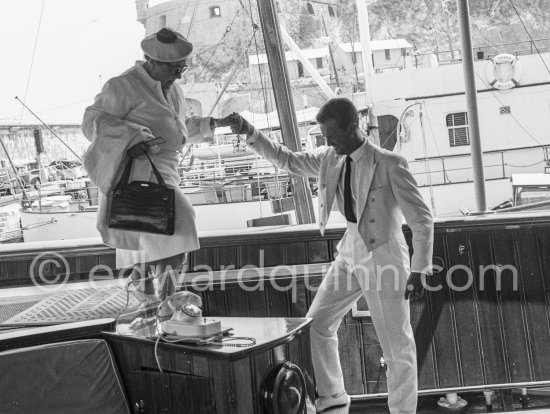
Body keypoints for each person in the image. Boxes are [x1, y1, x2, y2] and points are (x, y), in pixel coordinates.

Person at [229, 98, 433, 413]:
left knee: (397, 346)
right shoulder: (330, 158)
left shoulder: (390, 163)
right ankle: (333, 396)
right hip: (350, 250)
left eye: (332, 135)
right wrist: (250, 132)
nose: (328, 142)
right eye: (324, 136)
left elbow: (422, 220)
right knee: (318, 323)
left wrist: (419, 270)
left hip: (384, 256)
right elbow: (288, 160)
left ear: (353, 126)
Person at [82, 28, 233, 310]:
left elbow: (178, 131)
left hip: (166, 173)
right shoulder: (123, 85)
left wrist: (214, 124)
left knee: (154, 238)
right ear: (152, 61)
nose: (180, 74)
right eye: (174, 68)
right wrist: (131, 138)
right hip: (138, 176)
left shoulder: (173, 89)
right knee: (177, 223)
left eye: (182, 67)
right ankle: (169, 302)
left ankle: (154, 303)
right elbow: (92, 122)